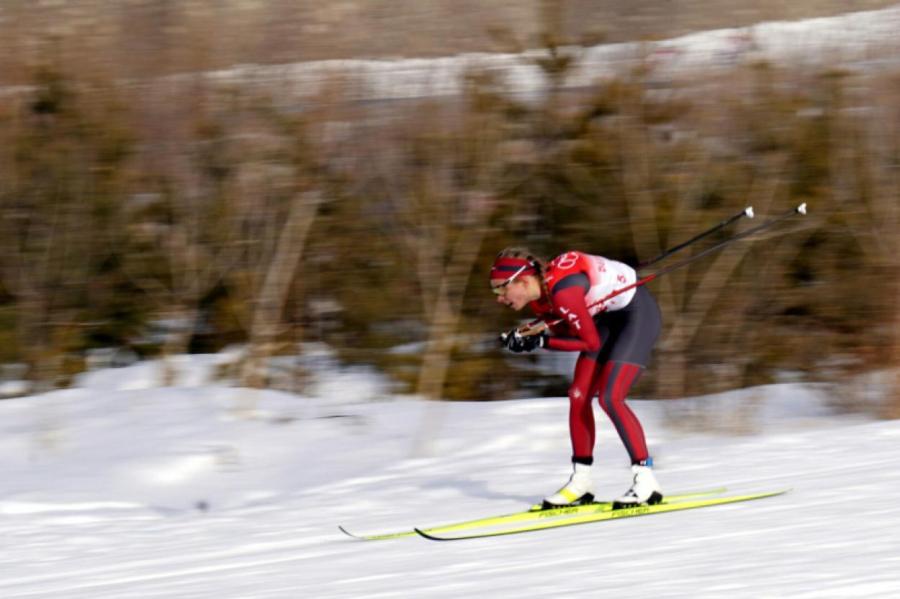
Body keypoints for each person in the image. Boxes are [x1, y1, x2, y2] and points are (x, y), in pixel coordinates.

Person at [490, 247, 663, 509]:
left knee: (610, 398)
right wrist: (525, 335)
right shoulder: (541, 296)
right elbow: (561, 323)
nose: (499, 298)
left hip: (636, 314)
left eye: (501, 289)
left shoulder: (562, 291)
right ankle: (582, 483)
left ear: (524, 280)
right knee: (578, 396)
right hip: (605, 318)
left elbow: (588, 342)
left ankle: (646, 481)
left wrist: (540, 340)